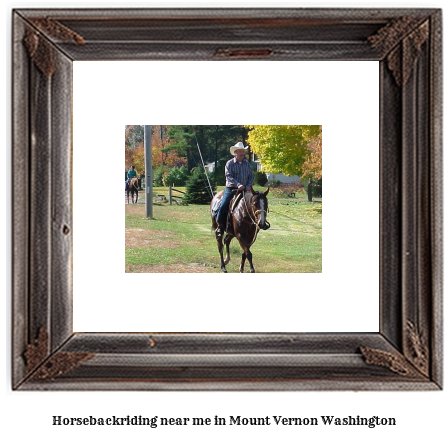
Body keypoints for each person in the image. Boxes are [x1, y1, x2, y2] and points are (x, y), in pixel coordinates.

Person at [215, 142, 254, 237]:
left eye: (243, 151)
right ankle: (219, 226)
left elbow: (251, 175)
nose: (242, 153)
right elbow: (228, 176)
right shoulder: (230, 163)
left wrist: (249, 185)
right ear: (235, 153)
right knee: (223, 205)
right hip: (231, 189)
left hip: (245, 189)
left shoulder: (246, 163)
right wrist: (238, 184)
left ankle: (254, 224)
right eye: (240, 151)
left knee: (254, 204)